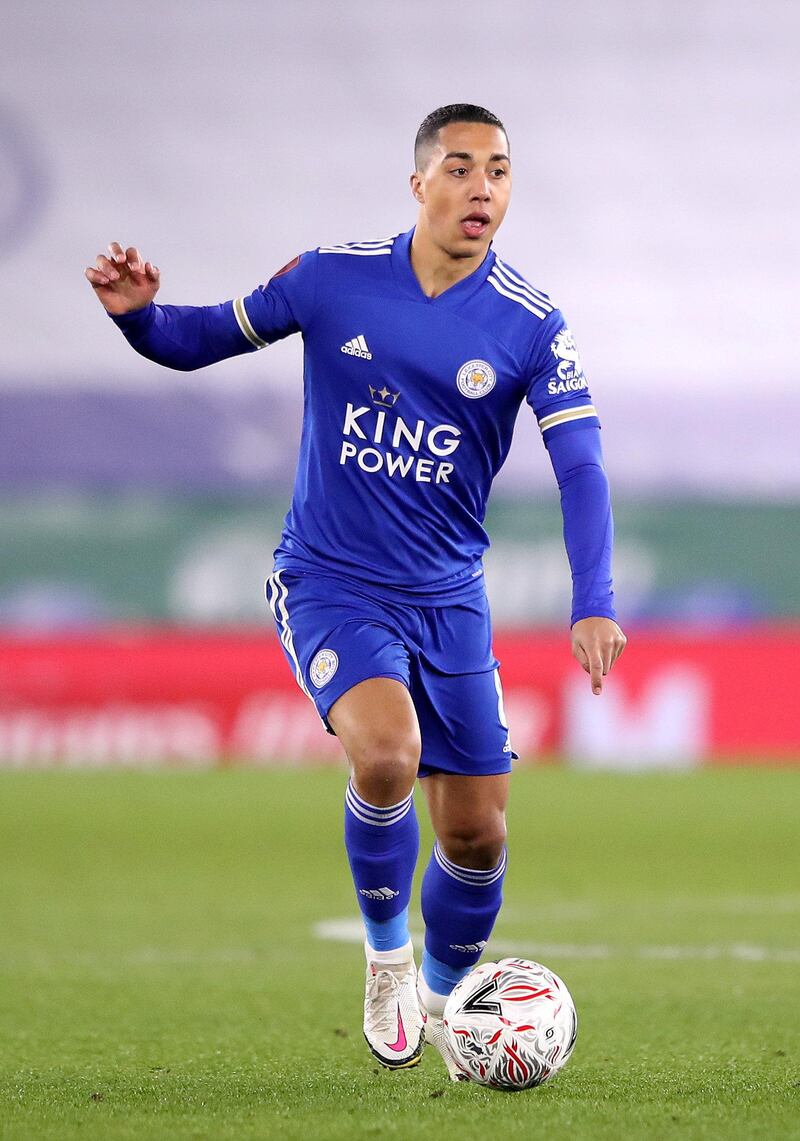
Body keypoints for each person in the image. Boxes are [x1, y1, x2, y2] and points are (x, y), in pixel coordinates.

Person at [85, 103, 626, 1080]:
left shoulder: (530, 320)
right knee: (385, 754)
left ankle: (441, 992)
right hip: (331, 579)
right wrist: (138, 317)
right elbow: (202, 335)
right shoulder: (332, 278)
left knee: (475, 830)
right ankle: (384, 955)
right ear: (417, 183)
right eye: (459, 169)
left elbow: (579, 464)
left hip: (449, 596)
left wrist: (593, 596)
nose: (481, 189)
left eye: (498, 171)